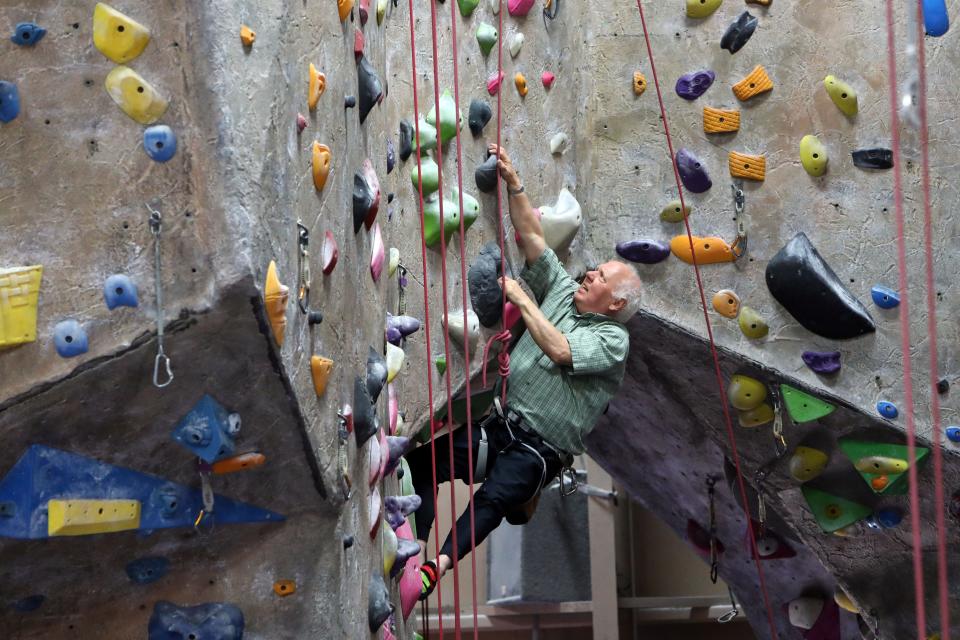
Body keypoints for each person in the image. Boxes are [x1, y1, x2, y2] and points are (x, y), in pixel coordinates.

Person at [406, 143, 643, 600]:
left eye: (599, 277)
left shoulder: (615, 340)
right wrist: (514, 184)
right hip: (500, 428)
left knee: (492, 499)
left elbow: (560, 350)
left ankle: (438, 567)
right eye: (591, 270)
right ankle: (413, 545)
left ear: (614, 303)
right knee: (422, 463)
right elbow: (533, 235)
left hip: (539, 450)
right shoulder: (562, 287)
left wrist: (522, 299)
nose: (589, 275)